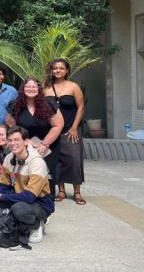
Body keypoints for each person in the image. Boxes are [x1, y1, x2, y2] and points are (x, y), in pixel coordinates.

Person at [0, 126, 54, 244]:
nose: (13, 143)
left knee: (18, 209)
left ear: (25, 141)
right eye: (10, 140)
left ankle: (37, 224)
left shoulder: (37, 162)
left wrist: (1, 197)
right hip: (19, 198)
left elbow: (30, 197)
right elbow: (4, 186)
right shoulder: (9, 158)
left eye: (17, 140)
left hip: (39, 203)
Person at [7, 78, 64, 197]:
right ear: (23, 89)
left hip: (48, 144)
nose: (31, 89)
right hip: (25, 145)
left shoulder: (48, 104)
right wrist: (23, 140)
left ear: (39, 89)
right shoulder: (15, 105)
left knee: (47, 174)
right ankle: (26, 198)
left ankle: (47, 201)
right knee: (26, 172)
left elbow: (58, 125)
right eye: (28, 87)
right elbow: (12, 127)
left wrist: (44, 144)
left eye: (34, 87)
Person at [44, 58, 86, 205]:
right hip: (53, 131)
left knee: (75, 160)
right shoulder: (46, 88)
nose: (58, 71)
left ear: (67, 70)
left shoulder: (73, 87)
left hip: (71, 130)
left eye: (61, 68)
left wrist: (75, 127)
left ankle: (77, 192)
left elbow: (81, 107)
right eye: (55, 68)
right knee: (57, 161)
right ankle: (61, 191)